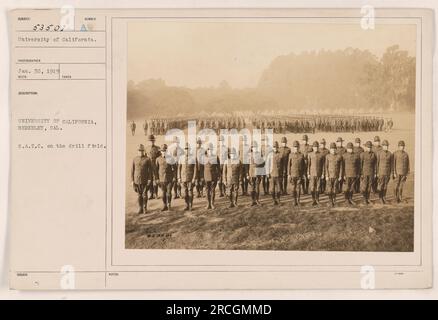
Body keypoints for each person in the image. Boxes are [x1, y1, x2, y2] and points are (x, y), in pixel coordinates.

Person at [131, 144, 152, 214]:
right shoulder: (134, 159)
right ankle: (140, 208)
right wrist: (132, 180)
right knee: (139, 195)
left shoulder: (147, 159)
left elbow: (150, 170)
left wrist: (149, 179)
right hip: (137, 180)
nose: (141, 152)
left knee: (145, 195)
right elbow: (132, 170)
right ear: (137, 151)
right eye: (139, 151)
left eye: (142, 151)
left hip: (145, 180)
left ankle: (145, 208)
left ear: (144, 151)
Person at [155, 144, 176, 211]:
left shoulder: (171, 158)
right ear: (161, 151)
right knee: (163, 193)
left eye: (165, 150)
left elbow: (174, 169)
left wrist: (174, 177)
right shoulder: (158, 159)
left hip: (169, 179)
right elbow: (156, 170)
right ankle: (164, 205)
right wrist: (157, 178)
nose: (164, 152)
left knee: (169, 192)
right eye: (162, 151)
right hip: (161, 179)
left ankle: (169, 205)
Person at [178, 143, 197, 211]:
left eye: (188, 149)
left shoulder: (193, 157)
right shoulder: (181, 157)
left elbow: (195, 169)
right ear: (184, 150)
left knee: (190, 192)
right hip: (183, 178)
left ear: (190, 150)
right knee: (185, 193)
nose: (187, 150)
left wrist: (194, 178)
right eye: (185, 149)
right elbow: (179, 168)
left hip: (190, 178)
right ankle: (186, 205)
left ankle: (191, 205)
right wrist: (179, 177)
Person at [307, 141, 325, 206]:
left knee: (318, 187)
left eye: (317, 147)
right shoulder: (310, 154)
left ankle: (317, 200)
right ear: (313, 147)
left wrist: (323, 173)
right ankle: (313, 200)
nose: (316, 148)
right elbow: (308, 165)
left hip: (319, 173)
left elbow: (323, 165)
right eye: (314, 147)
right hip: (312, 173)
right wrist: (308, 173)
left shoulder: (321, 155)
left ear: (318, 147)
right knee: (312, 187)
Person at [325, 142, 343, 207]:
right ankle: (330, 201)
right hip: (330, 175)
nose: (333, 150)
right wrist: (326, 175)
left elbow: (341, 167)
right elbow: (326, 166)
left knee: (335, 189)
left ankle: (334, 200)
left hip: (336, 175)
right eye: (332, 149)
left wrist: (340, 175)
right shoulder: (327, 156)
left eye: (334, 149)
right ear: (330, 149)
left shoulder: (339, 156)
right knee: (329, 189)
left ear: (336, 149)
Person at [203, 143, 220, 209]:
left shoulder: (215, 157)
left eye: (211, 149)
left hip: (213, 176)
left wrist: (218, 175)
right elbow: (201, 168)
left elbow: (218, 167)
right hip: (206, 176)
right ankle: (208, 204)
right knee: (207, 190)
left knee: (212, 190)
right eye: (208, 149)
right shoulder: (203, 157)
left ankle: (212, 203)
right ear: (206, 150)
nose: (209, 150)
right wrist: (201, 177)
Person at [288, 140, 305, 206]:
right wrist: (289, 174)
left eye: (297, 147)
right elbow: (288, 165)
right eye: (295, 147)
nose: (296, 148)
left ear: (299, 147)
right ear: (293, 147)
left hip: (299, 175)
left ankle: (298, 200)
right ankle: (294, 200)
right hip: (292, 174)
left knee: (298, 188)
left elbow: (303, 166)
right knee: (293, 189)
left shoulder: (301, 155)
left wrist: (303, 174)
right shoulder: (290, 155)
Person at [248, 141, 265, 206]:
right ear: (251, 148)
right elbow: (246, 165)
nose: (254, 148)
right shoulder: (249, 155)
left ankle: (257, 200)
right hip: (251, 173)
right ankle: (253, 201)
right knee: (252, 187)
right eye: (253, 147)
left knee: (257, 187)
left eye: (255, 147)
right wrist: (247, 174)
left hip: (258, 173)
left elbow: (263, 164)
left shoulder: (260, 154)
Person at [376, 140, 393, 204]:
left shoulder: (390, 154)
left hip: (387, 172)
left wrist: (391, 173)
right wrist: (376, 172)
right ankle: (380, 197)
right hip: (381, 172)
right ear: (382, 146)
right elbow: (377, 164)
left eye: (387, 146)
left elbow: (391, 164)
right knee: (381, 185)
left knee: (385, 185)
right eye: (384, 146)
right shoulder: (379, 153)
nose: (386, 147)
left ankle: (384, 197)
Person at [266, 141, 282, 205]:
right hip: (272, 174)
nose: (275, 148)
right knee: (272, 189)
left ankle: (278, 200)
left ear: (278, 147)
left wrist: (282, 173)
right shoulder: (270, 155)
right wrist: (267, 173)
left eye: (276, 147)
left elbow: (282, 165)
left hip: (278, 174)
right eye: (274, 147)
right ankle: (274, 200)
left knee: (278, 189)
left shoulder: (280, 155)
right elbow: (267, 164)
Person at [145, 134, 161, 200]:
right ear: (148, 141)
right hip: (149, 167)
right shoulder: (146, 148)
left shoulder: (157, 148)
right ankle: (151, 194)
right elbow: (145, 158)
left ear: (154, 141)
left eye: (152, 141)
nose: (151, 142)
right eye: (150, 141)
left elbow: (160, 157)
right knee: (150, 180)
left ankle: (156, 193)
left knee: (156, 180)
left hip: (155, 166)